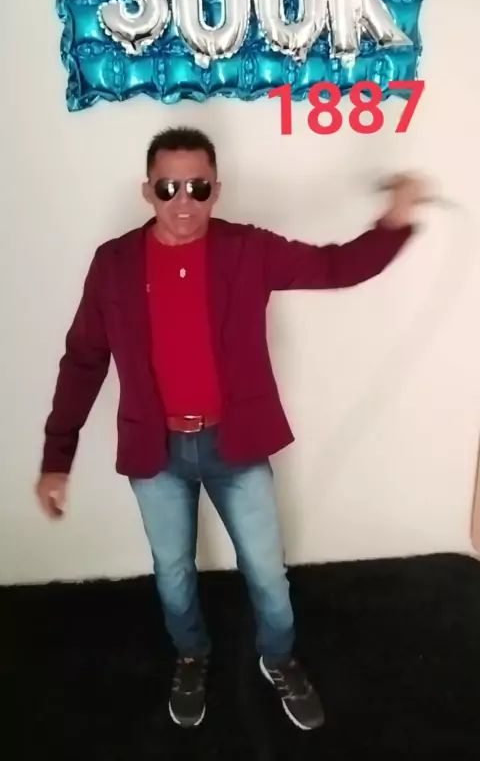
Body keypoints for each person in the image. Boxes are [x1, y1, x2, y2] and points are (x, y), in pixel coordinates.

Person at [36, 126, 421, 731]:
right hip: (155, 450)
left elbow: (335, 267)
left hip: (235, 444)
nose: (182, 201)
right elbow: (84, 360)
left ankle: (279, 658)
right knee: (173, 571)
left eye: (197, 187)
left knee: (267, 569)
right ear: (147, 191)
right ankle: (191, 655)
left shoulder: (247, 249)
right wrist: (57, 459)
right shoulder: (113, 265)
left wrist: (395, 222)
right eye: (168, 187)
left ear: (216, 190)